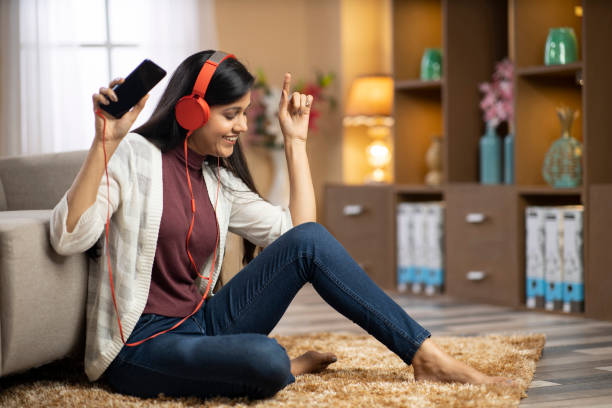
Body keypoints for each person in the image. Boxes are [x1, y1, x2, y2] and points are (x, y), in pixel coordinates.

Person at [49, 50, 513, 401]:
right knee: (268, 359)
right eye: (232, 114)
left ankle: (425, 356)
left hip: (204, 323)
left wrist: (296, 144)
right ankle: (287, 366)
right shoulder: (134, 157)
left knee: (308, 243)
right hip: (141, 345)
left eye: (244, 113)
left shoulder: (216, 179)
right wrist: (105, 142)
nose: (242, 127)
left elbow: (304, 239)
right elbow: (69, 234)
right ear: (191, 111)